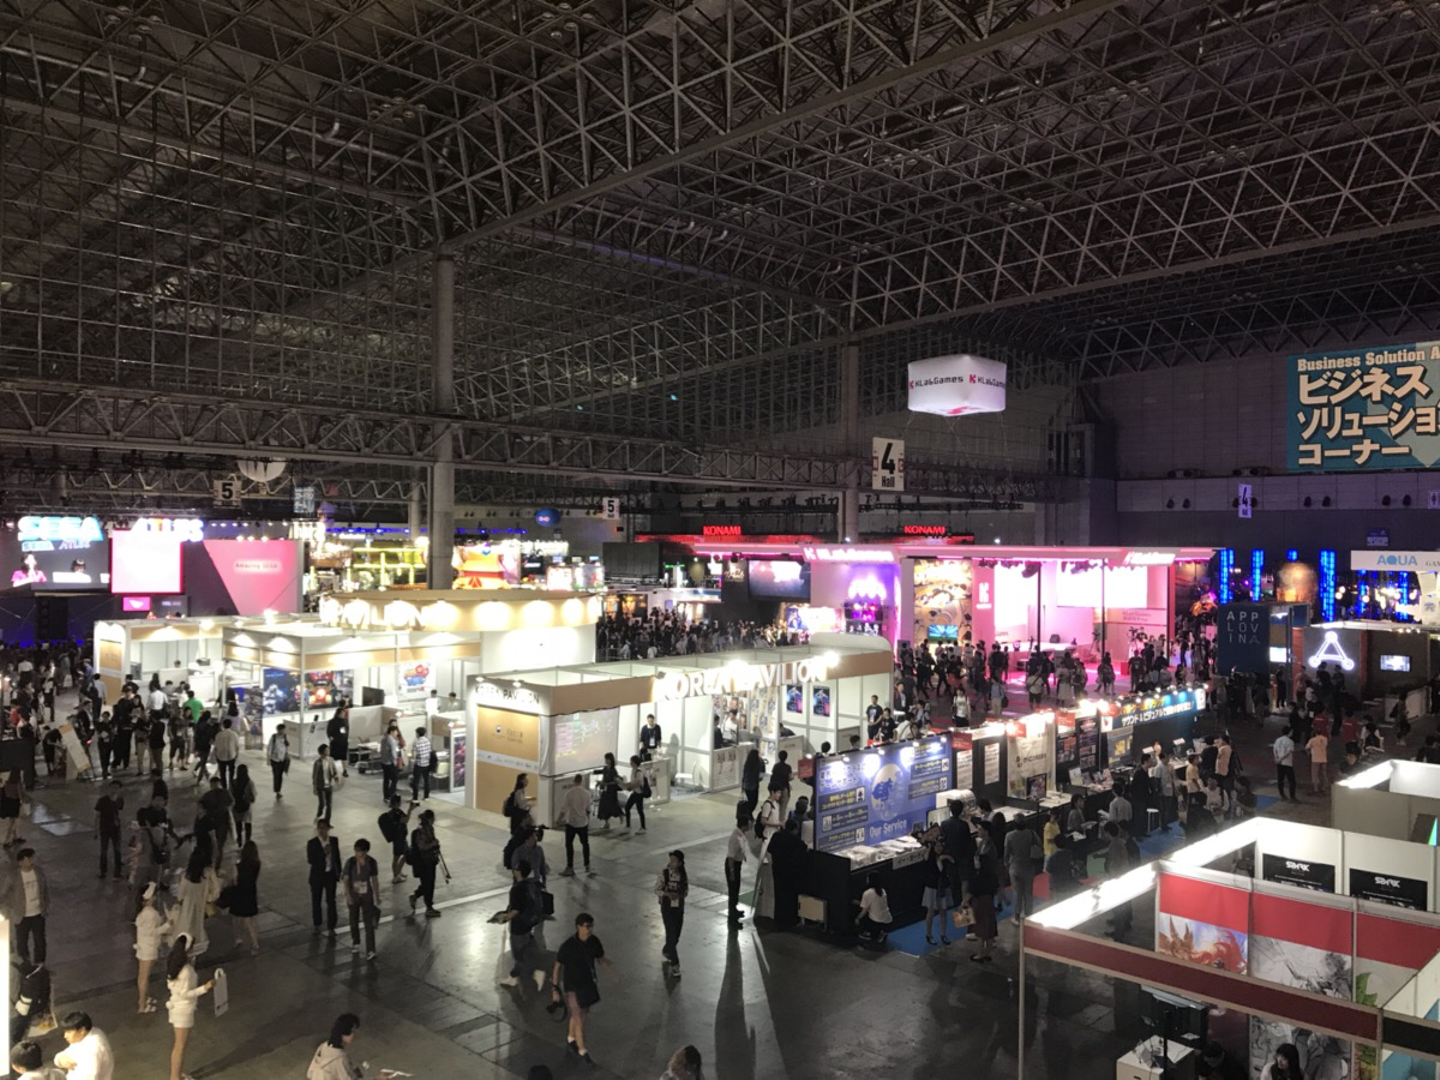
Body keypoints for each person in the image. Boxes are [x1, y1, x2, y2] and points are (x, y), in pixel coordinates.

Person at [550, 912, 611, 1067]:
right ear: (578, 927)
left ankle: (571, 1038)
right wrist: (555, 988)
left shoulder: (594, 942)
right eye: (587, 926)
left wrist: (608, 966)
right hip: (573, 987)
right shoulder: (568, 946)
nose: (590, 929)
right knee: (578, 1018)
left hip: (588, 985)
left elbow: (599, 957)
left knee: (582, 1014)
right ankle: (582, 1050)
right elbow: (557, 966)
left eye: (591, 926)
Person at [165, 934, 214, 1080]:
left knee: (178, 1045)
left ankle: (176, 1075)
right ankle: (175, 1077)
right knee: (180, 1046)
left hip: (175, 1008)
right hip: (184, 1011)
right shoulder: (186, 971)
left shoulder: (173, 964)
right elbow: (185, 994)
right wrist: (205, 988)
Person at [498, 859, 546, 990]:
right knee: (525, 951)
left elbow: (516, 910)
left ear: (518, 872)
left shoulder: (516, 889)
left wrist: (504, 918)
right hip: (528, 924)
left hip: (518, 927)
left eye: (515, 869)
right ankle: (514, 977)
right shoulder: (530, 885)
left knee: (518, 954)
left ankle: (534, 973)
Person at [307, 1013, 399, 1080]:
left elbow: (311, 1072)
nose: (353, 1035)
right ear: (342, 1034)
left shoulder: (324, 1046)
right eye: (351, 1032)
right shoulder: (339, 1059)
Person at [173, 845, 219, 960]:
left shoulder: (186, 876)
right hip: (200, 906)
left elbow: (180, 895)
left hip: (187, 907)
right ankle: (193, 956)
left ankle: (184, 954)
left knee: (185, 928)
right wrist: (208, 898)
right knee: (197, 928)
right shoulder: (208, 873)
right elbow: (216, 890)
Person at [342, 838, 382, 961]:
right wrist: (348, 896)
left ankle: (371, 949)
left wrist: (377, 896)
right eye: (357, 851)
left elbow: (374, 879)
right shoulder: (351, 862)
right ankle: (356, 941)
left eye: (360, 851)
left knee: (369, 923)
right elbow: (345, 880)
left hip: (366, 895)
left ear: (366, 851)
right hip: (354, 894)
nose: (358, 854)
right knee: (353, 920)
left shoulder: (371, 862)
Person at [967, 825, 1000, 962]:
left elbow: (972, 891)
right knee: (988, 925)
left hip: (980, 903)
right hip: (988, 902)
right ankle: (987, 950)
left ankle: (980, 954)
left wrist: (963, 902)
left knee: (981, 928)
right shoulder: (990, 877)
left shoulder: (978, 877)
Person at [1003, 817, 1043, 924]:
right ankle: (1029, 915)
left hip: (1015, 867)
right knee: (1028, 892)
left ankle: (1017, 917)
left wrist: (1006, 864)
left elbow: (1006, 853)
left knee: (1017, 892)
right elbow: (1039, 844)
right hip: (1029, 866)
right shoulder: (1031, 833)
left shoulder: (1009, 835)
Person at [226, 839, 262, 956]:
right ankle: (255, 943)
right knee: (250, 921)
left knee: (235, 918)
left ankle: (238, 938)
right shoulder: (257, 864)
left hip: (239, 894)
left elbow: (234, 881)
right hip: (250, 893)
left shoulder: (237, 866)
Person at [655, 849, 688, 976]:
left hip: (678, 908)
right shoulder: (664, 874)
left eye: (674, 860)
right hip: (667, 908)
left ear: (680, 863)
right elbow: (656, 889)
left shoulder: (683, 875)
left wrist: (678, 895)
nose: (671, 862)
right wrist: (667, 894)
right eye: (671, 860)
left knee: (676, 934)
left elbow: (686, 891)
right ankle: (675, 964)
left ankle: (667, 949)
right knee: (671, 934)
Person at [134, 883, 166, 1013]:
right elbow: (153, 932)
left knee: (142, 976)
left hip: (143, 947)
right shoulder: (150, 914)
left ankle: (143, 999)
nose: (155, 897)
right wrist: (168, 925)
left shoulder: (144, 912)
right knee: (144, 977)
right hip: (149, 948)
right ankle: (142, 1005)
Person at [53, 1012, 114, 1080]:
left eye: (69, 1032)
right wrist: (61, 1060)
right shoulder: (87, 1034)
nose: (65, 1036)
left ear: (82, 1030)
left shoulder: (92, 1051)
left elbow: (90, 1077)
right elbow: (63, 1054)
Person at [14, 848, 49, 966]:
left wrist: (45, 905)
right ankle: (25, 963)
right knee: (22, 940)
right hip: (22, 915)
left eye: (32, 858)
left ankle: (40, 963)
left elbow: (44, 890)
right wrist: (13, 907)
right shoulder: (14, 876)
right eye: (28, 859)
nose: (31, 861)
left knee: (40, 940)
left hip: (38, 913)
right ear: (21, 862)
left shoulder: (39, 872)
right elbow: (5, 893)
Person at [308, 818, 341, 935]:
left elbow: (337, 858)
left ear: (328, 829)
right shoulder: (312, 843)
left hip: (330, 875)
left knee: (331, 900)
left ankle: (331, 926)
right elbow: (311, 860)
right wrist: (324, 853)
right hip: (317, 876)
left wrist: (339, 873)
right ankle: (317, 924)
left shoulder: (334, 841)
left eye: (324, 828)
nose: (322, 831)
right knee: (316, 900)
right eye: (320, 828)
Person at [408, 808, 443, 917]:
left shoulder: (429, 829)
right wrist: (433, 844)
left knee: (428, 884)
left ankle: (415, 896)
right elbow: (422, 847)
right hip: (424, 862)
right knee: (428, 884)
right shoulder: (421, 831)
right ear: (429, 819)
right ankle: (429, 907)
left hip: (431, 860)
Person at [558, 773, 594, 877]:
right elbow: (588, 809)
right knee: (585, 844)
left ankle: (570, 867)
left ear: (574, 781)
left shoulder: (569, 794)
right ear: (581, 781)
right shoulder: (587, 794)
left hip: (571, 822)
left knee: (569, 845)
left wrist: (559, 820)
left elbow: (563, 809)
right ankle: (587, 865)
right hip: (583, 822)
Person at [1103, 822, 1133, 939]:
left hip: (1118, 878)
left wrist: (1111, 878)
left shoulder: (1115, 845)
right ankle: (1124, 923)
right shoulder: (1119, 842)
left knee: (1119, 907)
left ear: (1108, 833)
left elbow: (1115, 864)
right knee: (1124, 904)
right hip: (1123, 876)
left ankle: (1118, 933)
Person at [921, 840, 952, 945]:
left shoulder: (945, 857)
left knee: (943, 911)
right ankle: (928, 934)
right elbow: (926, 861)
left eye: (941, 846)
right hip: (932, 887)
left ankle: (943, 934)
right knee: (931, 911)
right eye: (937, 846)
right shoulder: (930, 858)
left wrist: (946, 858)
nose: (939, 848)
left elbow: (953, 862)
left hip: (943, 886)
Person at [93, 780, 125, 880]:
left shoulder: (120, 800)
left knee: (117, 850)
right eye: (112, 788)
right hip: (105, 828)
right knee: (104, 851)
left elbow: (120, 812)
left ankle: (117, 872)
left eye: (116, 788)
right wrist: (96, 830)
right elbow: (97, 816)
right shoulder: (102, 801)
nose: (114, 790)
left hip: (116, 829)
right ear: (109, 788)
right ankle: (103, 872)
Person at [379, 795, 414, 883]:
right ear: (396, 803)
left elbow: (405, 818)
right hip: (398, 839)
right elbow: (405, 820)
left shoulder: (397, 811)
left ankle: (398, 872)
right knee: (397, 857)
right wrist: (410, 810)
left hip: (401, 838)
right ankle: (395, 876)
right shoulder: (394, 814)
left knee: (405, 854)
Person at [725, 810, 750, 927]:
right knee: (733, 890)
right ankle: (732, 916)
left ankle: (734, 909)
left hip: (737, 864)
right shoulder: (735, 837)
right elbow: (731, 857)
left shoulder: (741, 834)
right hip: (733, 865)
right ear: (744, 825)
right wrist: (732, 872)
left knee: (736, 889)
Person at [856, 872, 892, 943]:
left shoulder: (867, 893)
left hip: (876, 921)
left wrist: (857, 918)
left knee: (863, 917)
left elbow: (864, 910)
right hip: (887, 918)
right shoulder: (882, 890)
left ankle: (870, 933)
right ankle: (881, 932)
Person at [313, 743, 341, 822]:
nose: (328, 751)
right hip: (320, 786)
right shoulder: (317, 763)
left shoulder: (331, 760)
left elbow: (334, 770)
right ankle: (318, 815)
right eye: (327, 750)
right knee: (322, 803)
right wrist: (314, 787)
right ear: (322, 752)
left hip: (329, 785)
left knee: (329, 804)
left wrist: (336, 777)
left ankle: (327, 821)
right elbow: (314, 776)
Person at [231, 763, 257, 846]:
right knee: (248, 825)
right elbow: (253, 797)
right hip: (247, 807)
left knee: (238, 825)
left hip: (236, 807)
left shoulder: (233, 782)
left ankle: (239, 842)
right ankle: (247, 842)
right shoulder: (249, 783)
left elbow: (230, 795)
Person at [212, 717, 240, 790]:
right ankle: (231, 785)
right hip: (231, 755)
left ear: (223, 725)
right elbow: (237, 746)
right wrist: (237, 755)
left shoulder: (218, 735)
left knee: (222, 772)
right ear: (231, 725)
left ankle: (224, 787)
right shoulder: (234, 734)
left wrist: (216, 755)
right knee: (231, 771)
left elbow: (216, 746)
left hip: (220, 756)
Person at [624, 755, 649, 832]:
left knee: (639, 810)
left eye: (631, 762)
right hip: (635, 792)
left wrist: (630, 787)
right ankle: (629, 826)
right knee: (628, 807)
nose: (630, 763)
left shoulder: (639, 772)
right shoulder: (633, 771)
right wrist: (627, 785)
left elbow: (638, 783)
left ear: (635, 763)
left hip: (639, 794)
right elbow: (633, 782)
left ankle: (643, 827)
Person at [379, 724, 402, 805]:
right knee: (394, 779)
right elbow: (393, 753)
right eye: (396, 732)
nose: (397, 733)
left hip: (383, 762)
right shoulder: (392, 740)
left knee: (386, 780)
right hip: (390, 763)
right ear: (391, 732)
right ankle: (391, 794)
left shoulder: (383, 739)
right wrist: (395, 761)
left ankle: (386, 796)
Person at [1273, 726, 1297, 801]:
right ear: (1289, 732)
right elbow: (1288, 752)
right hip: (1287, 763)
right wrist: (1281, 758)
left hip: (1279, 763)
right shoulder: (1290, 742)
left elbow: (1274, 749)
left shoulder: (1278, 740)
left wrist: (1276, 758)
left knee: (1280, 779)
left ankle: (1282, 794)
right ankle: (1292, 796)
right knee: (1292, 781)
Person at [410, 726, 433, 800]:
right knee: (426, 781)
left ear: (417, 733)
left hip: (419, 764)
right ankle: (426, 796)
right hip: (427, 763)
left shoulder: (416, 742)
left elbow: (414, 755)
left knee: (416, 782)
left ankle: (415, 798)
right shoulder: (428, 740)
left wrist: (412, 759)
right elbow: (430, 751)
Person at [327, 707, 351, 778]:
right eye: (342, 713)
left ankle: (345, 770)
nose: (343, 714)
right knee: (333, 757)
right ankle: (333, 770)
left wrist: (346, 738)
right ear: (338, 714)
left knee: (343, 757)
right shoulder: (332, 721)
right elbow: (329, 731)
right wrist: (330, 737)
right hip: (335, 742)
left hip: (343, 742)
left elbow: (346, 730)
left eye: (344, 713)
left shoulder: (345, 721)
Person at [267, 725, 290, 798]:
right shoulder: (274, 737)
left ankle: (279, 790)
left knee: (280, 775)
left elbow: (287, 747)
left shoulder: (286, 737)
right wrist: (268, 758)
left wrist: (287, 755)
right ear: (278, 730)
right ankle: (277, 791)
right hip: (275, 759)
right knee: (276, 775)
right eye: (281, 730)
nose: (282, 731)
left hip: (282, 759)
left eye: (283, 730)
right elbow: (269, 747)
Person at [768, 750, 793, 817]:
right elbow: (790, 777)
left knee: (775, 805)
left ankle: (774, 818)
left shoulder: (775, 766)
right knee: (783, 807)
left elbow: (773, 774)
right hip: (784, 788)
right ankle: (780, 820)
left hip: (775, 788)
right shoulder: (788, 767)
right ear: (786, 757)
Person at [740, 748, 764, 815]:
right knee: (754, 801)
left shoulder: (747, 763)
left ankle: (748, 814)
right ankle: (748, 814)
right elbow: (760, 775)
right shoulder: (758, 763)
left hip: (746, 785)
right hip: (754, 786)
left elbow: (744, 775)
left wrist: (742, 786)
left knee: (749, 801)